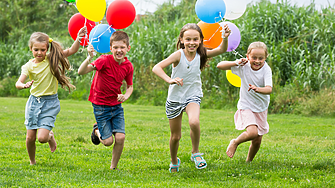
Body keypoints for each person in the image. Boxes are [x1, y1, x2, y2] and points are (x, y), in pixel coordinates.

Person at [152, 23, 231, 172]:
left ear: (201, 40)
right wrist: (169, 80)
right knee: (176, 136)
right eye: (188, 39)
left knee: (194, 121)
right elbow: (156, 67)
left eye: (195, 39)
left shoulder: (201, 54)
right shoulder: (178, 55)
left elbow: (221, 49)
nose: (192, 42)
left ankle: (195, 152)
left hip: (192, 95)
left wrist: (224, 38)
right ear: (182, 40)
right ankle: (174, 161)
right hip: (175, 98)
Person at [15, 27, 87, 165]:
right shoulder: (28, 66)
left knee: (41, 138)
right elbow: (18, 82)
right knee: (30, 137)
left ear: (47, 49)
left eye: (43, 50)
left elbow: (72, 51)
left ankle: (49, 136)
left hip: (50, 103)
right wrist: (22, 85)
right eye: (36, 50)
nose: (39, 53)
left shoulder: (52, 59)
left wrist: (78, 38)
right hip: (33, 103)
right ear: (31, 48)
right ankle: (32, 161)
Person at [78, 31, 134, 170]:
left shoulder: (128, 66)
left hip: (116, 106)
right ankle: (96, 129)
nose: (119, 50)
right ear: (111, 48)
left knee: (120, 138)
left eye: (122, 47)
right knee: (108, 142)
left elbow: (130, 86)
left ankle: (113, 167)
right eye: (115, 47)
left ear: (128, 48)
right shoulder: (103, 60)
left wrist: (125, 96)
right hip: (100, 105)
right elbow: (82, 71)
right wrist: (89, 57)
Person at [216, 41, 272, 162]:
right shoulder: (243, 66)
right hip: (246, 106)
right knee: (252, 132)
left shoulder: (266, 70)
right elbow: (219, 65)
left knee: (257, 140)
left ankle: (248, 162)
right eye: (254, 57)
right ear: (248, 56)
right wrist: (236, 62)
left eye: (261, 58)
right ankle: (235, 142)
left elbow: (269, 89)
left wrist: (258, 89)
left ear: (265, 58)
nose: (257, 61)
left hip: (261, 107)